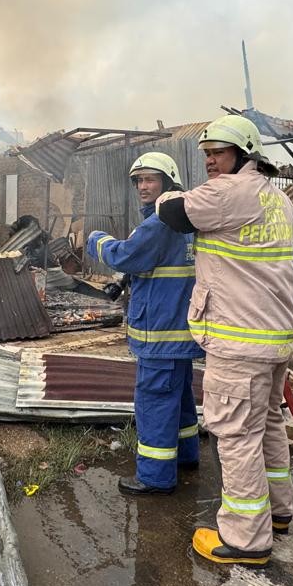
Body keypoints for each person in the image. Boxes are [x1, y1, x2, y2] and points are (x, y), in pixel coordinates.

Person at [155, 114, 293, 566]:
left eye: (218, 151)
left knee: (234, 434)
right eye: (207, 152)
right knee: (268, 423)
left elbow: (172, 211)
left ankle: (245, 539)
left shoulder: (225, 193)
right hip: (273, 335)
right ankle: (278, 512)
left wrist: (169, 193)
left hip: (238, 340)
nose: (210, 159)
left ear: (244, 152)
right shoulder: (277, 198)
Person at [87, 152, 203, 496]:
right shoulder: (185, 216)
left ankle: (154, 476)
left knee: (154, 401)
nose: (142, 186)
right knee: (180, 397)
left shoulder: (160, 221)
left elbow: (124, 256)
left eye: (150, 179)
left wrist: (97, 239)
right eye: (138, 180)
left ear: (169, 182)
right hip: (180, 331)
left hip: (160, 333)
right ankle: (186, 456)